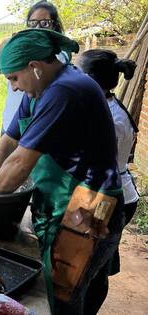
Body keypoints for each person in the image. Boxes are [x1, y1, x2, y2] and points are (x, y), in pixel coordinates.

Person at [0, 29, 124, 314]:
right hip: (61, 203)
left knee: (61, 298)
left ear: (34, 67)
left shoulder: (66, 90)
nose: (13, 87)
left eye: (13, 78)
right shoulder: (39, 88)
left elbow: (20, 162)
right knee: (61, 290)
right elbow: (8, 143)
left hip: (90, 208)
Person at [77, 49, 139, 277]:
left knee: (85, 270)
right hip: (109, 193)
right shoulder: (103, 106)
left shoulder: (109, 118)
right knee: (95, 265)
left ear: (90, 81)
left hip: (107, 199)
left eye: (77, 72)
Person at [0, 0, 67, 134]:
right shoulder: (19, 52)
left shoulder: (57, 56)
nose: (38, 28)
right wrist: (8, 42)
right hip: (10, 123)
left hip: (37, 126)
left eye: (44, 23)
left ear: (55, 26)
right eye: (32, 23)